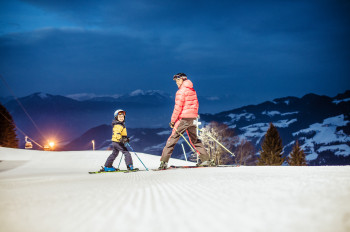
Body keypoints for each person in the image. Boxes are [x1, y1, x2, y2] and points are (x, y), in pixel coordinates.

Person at [158, 73, 212, 169]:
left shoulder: (180, 92)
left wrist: (172, 121)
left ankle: (163, 162)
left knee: (172, 139)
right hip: (193, 118)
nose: (176, 82)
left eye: (178, 80)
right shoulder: (192, 90)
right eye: (176, 81)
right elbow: (196, 104)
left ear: (183, 80)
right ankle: (205, 160)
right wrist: (194, 115)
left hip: (183, 119)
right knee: (195, 140)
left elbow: (177, 108)